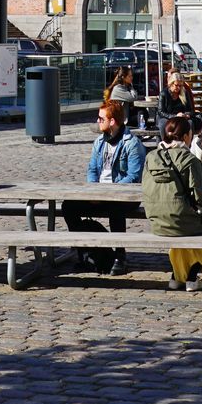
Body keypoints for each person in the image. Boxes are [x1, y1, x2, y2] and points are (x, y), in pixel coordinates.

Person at [64, 99, 145, 274]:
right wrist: (94, 191)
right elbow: (92, 169)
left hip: (125, 196)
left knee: (116, 208)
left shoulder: (132, 144)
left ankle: (119, 256)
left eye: (101, 119)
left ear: (113, 122)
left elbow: (134, 177)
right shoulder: (99, 142)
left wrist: (110, 192)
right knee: (68, 205)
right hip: (100, 194)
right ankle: (85, 252)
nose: (98, 122)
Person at [145, 114, 202, 290]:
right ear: (187, 137)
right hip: (180, 221)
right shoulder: (189, 159)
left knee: (183, 229)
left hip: (157, 222)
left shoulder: (151, 157)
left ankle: (177, 275)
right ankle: (193, 274)